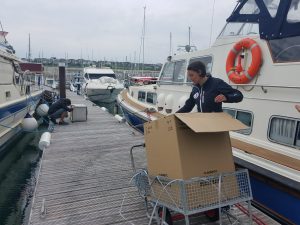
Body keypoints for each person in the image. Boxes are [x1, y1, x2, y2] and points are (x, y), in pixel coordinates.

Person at [177, 61, 243, 113]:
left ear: (199, 72)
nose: (190, 78)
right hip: (202, 124)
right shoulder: (195, 88)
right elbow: (188, 107)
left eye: (191, 75)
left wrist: (226, 97)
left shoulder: (216, 83)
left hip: (215, 124)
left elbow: (239, 95)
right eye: (189, 75)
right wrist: (174, 115)